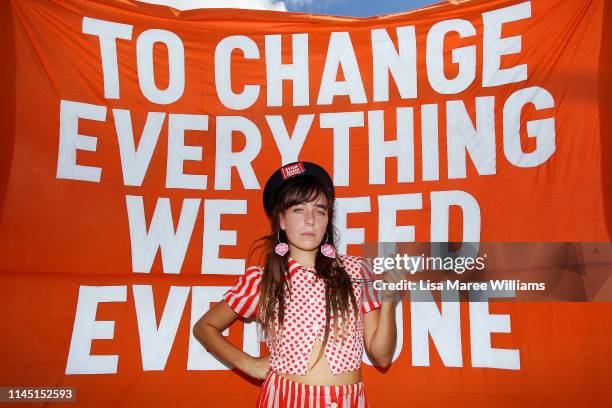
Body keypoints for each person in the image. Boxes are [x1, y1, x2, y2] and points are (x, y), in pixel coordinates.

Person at [193, 161, 398, 407]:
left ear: (327, 221)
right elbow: (204, 327)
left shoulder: (356, 271)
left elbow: (382, 356)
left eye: (320, 211)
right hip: (285, 399)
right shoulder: (262, 280)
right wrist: (248, 364)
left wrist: (388, 302)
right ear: (281, 219)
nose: (310, 220)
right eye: (298, 210)